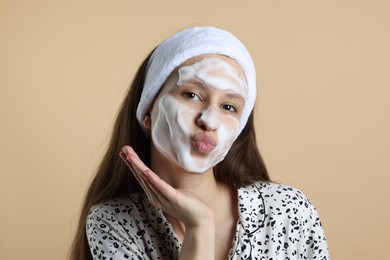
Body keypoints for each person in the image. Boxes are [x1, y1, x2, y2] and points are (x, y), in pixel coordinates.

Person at [69, 26, 330, 260]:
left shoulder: (288, 210)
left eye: (229, 107)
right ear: (148, 111)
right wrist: (199, 227)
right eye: (192, 94)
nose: (210, 120)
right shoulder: (114, 223)